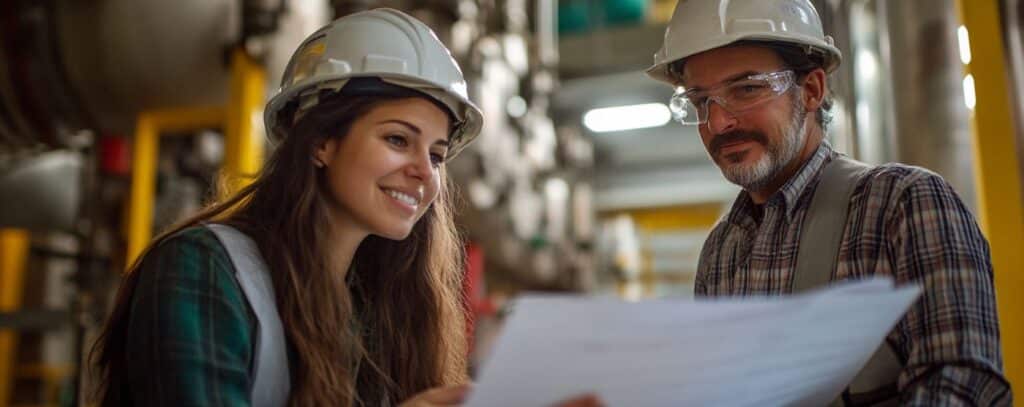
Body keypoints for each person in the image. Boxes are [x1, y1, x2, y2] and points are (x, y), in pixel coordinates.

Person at [87, 8, 574, 407]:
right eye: (398, 139)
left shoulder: (381, 309)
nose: (425, 173)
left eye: (437, 154)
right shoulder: (205, 272)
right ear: (321, 141)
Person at [646, 0, 1011, 405]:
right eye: (701, 102)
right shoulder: (720, 253)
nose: (718, 123)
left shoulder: (903, 206)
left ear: (811, 91)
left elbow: (965, 387)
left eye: (746, 88)